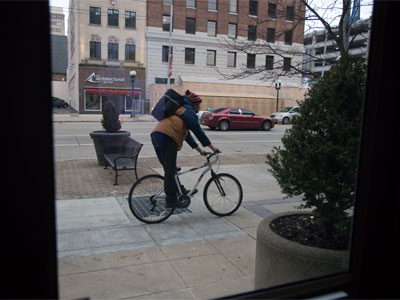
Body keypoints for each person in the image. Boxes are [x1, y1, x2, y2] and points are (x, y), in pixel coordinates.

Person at [151, 90, 221, 208]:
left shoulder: (180, 111)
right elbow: (198, 131)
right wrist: (212, 147)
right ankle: (171, 200)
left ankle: (180, 191)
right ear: (194, 104)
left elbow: (187, 136)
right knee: (170, 171)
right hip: (167, 137)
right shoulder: (188, 111)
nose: (200, 107)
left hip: (158, 136)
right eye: (199, 104)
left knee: (170, 169)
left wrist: (200, 150)